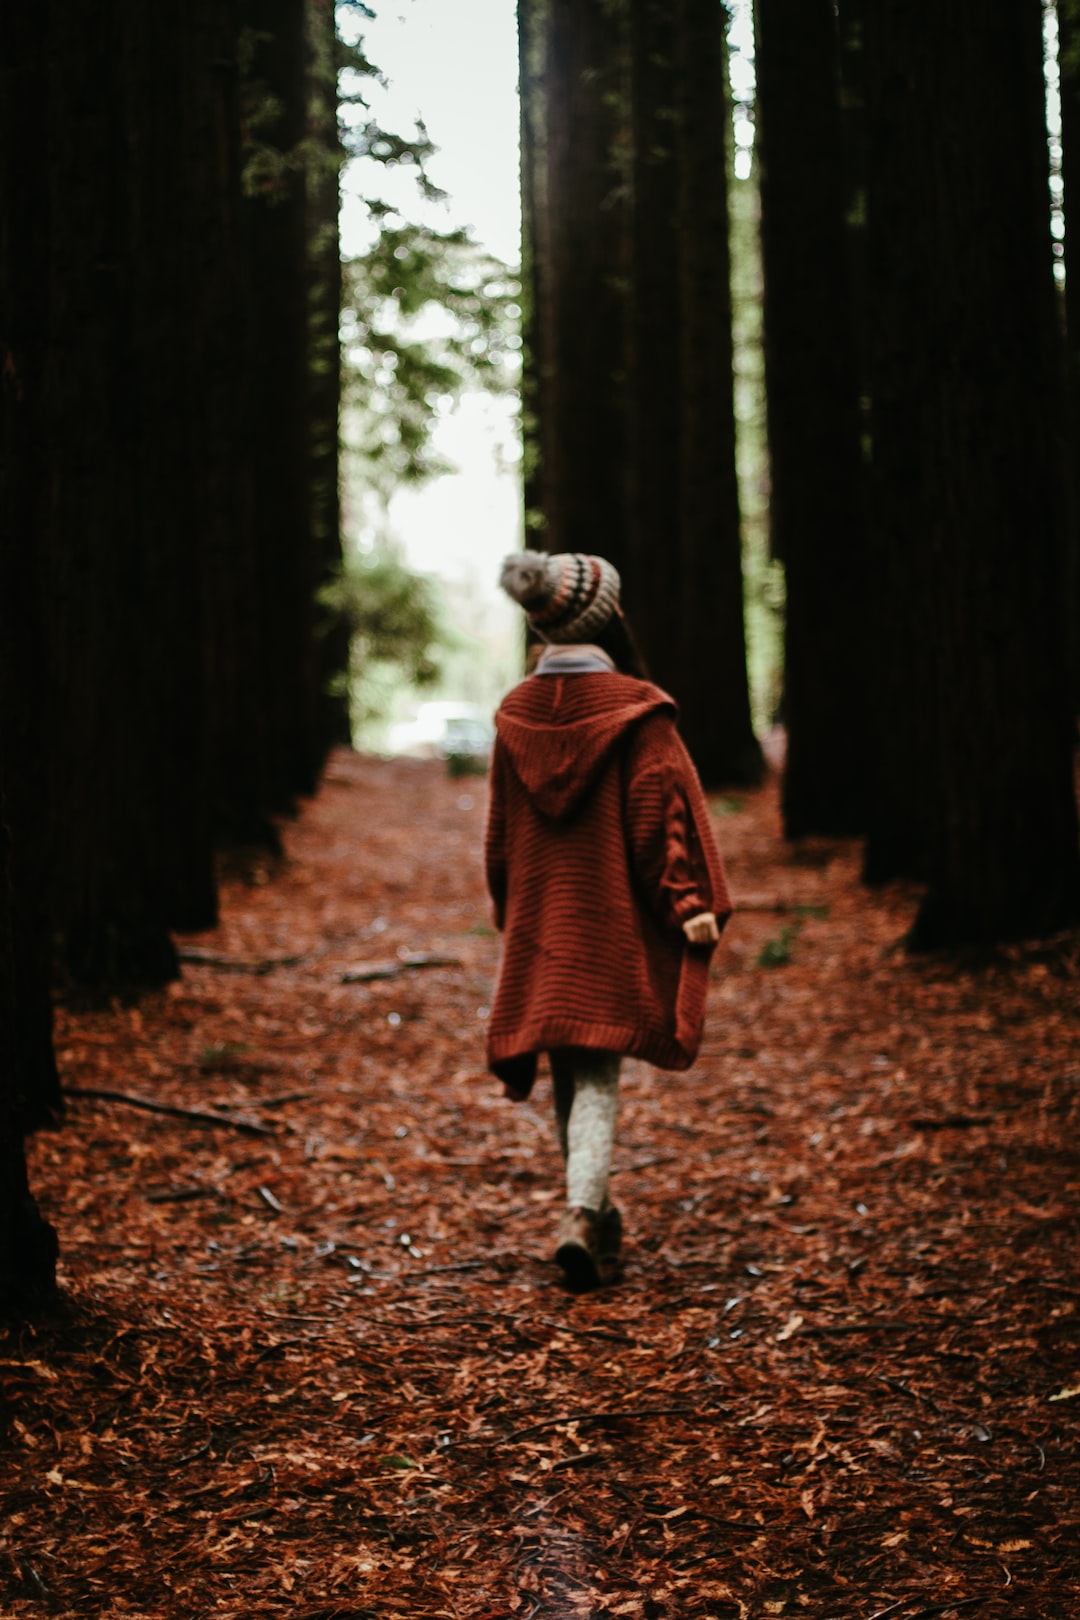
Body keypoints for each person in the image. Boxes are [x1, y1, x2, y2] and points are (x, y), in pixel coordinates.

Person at [484, 550, 732, 1289]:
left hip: (539, 923)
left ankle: (596, 1212)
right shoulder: (638, 713)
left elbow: (499, 838)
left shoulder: (513, 716)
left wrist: (511, 914)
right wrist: (686, 905)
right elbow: (662, 820)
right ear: (608, 617)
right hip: (605, 926)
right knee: (594, 1069)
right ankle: (584, 1215)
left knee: (572, 1060)